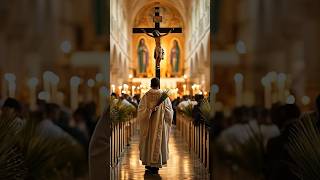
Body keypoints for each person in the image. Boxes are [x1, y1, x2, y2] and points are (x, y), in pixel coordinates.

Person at [137, 77, 173, 174]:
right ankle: (156, 165)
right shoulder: (164, 97)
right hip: (160, 127)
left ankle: (149, 163)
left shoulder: (146, 95)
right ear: (158, 84)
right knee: (158, 142)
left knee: (148, 142)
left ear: (151, 84)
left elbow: (140, 110)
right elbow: (169, 112)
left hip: (148, 126)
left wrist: (148, 112)